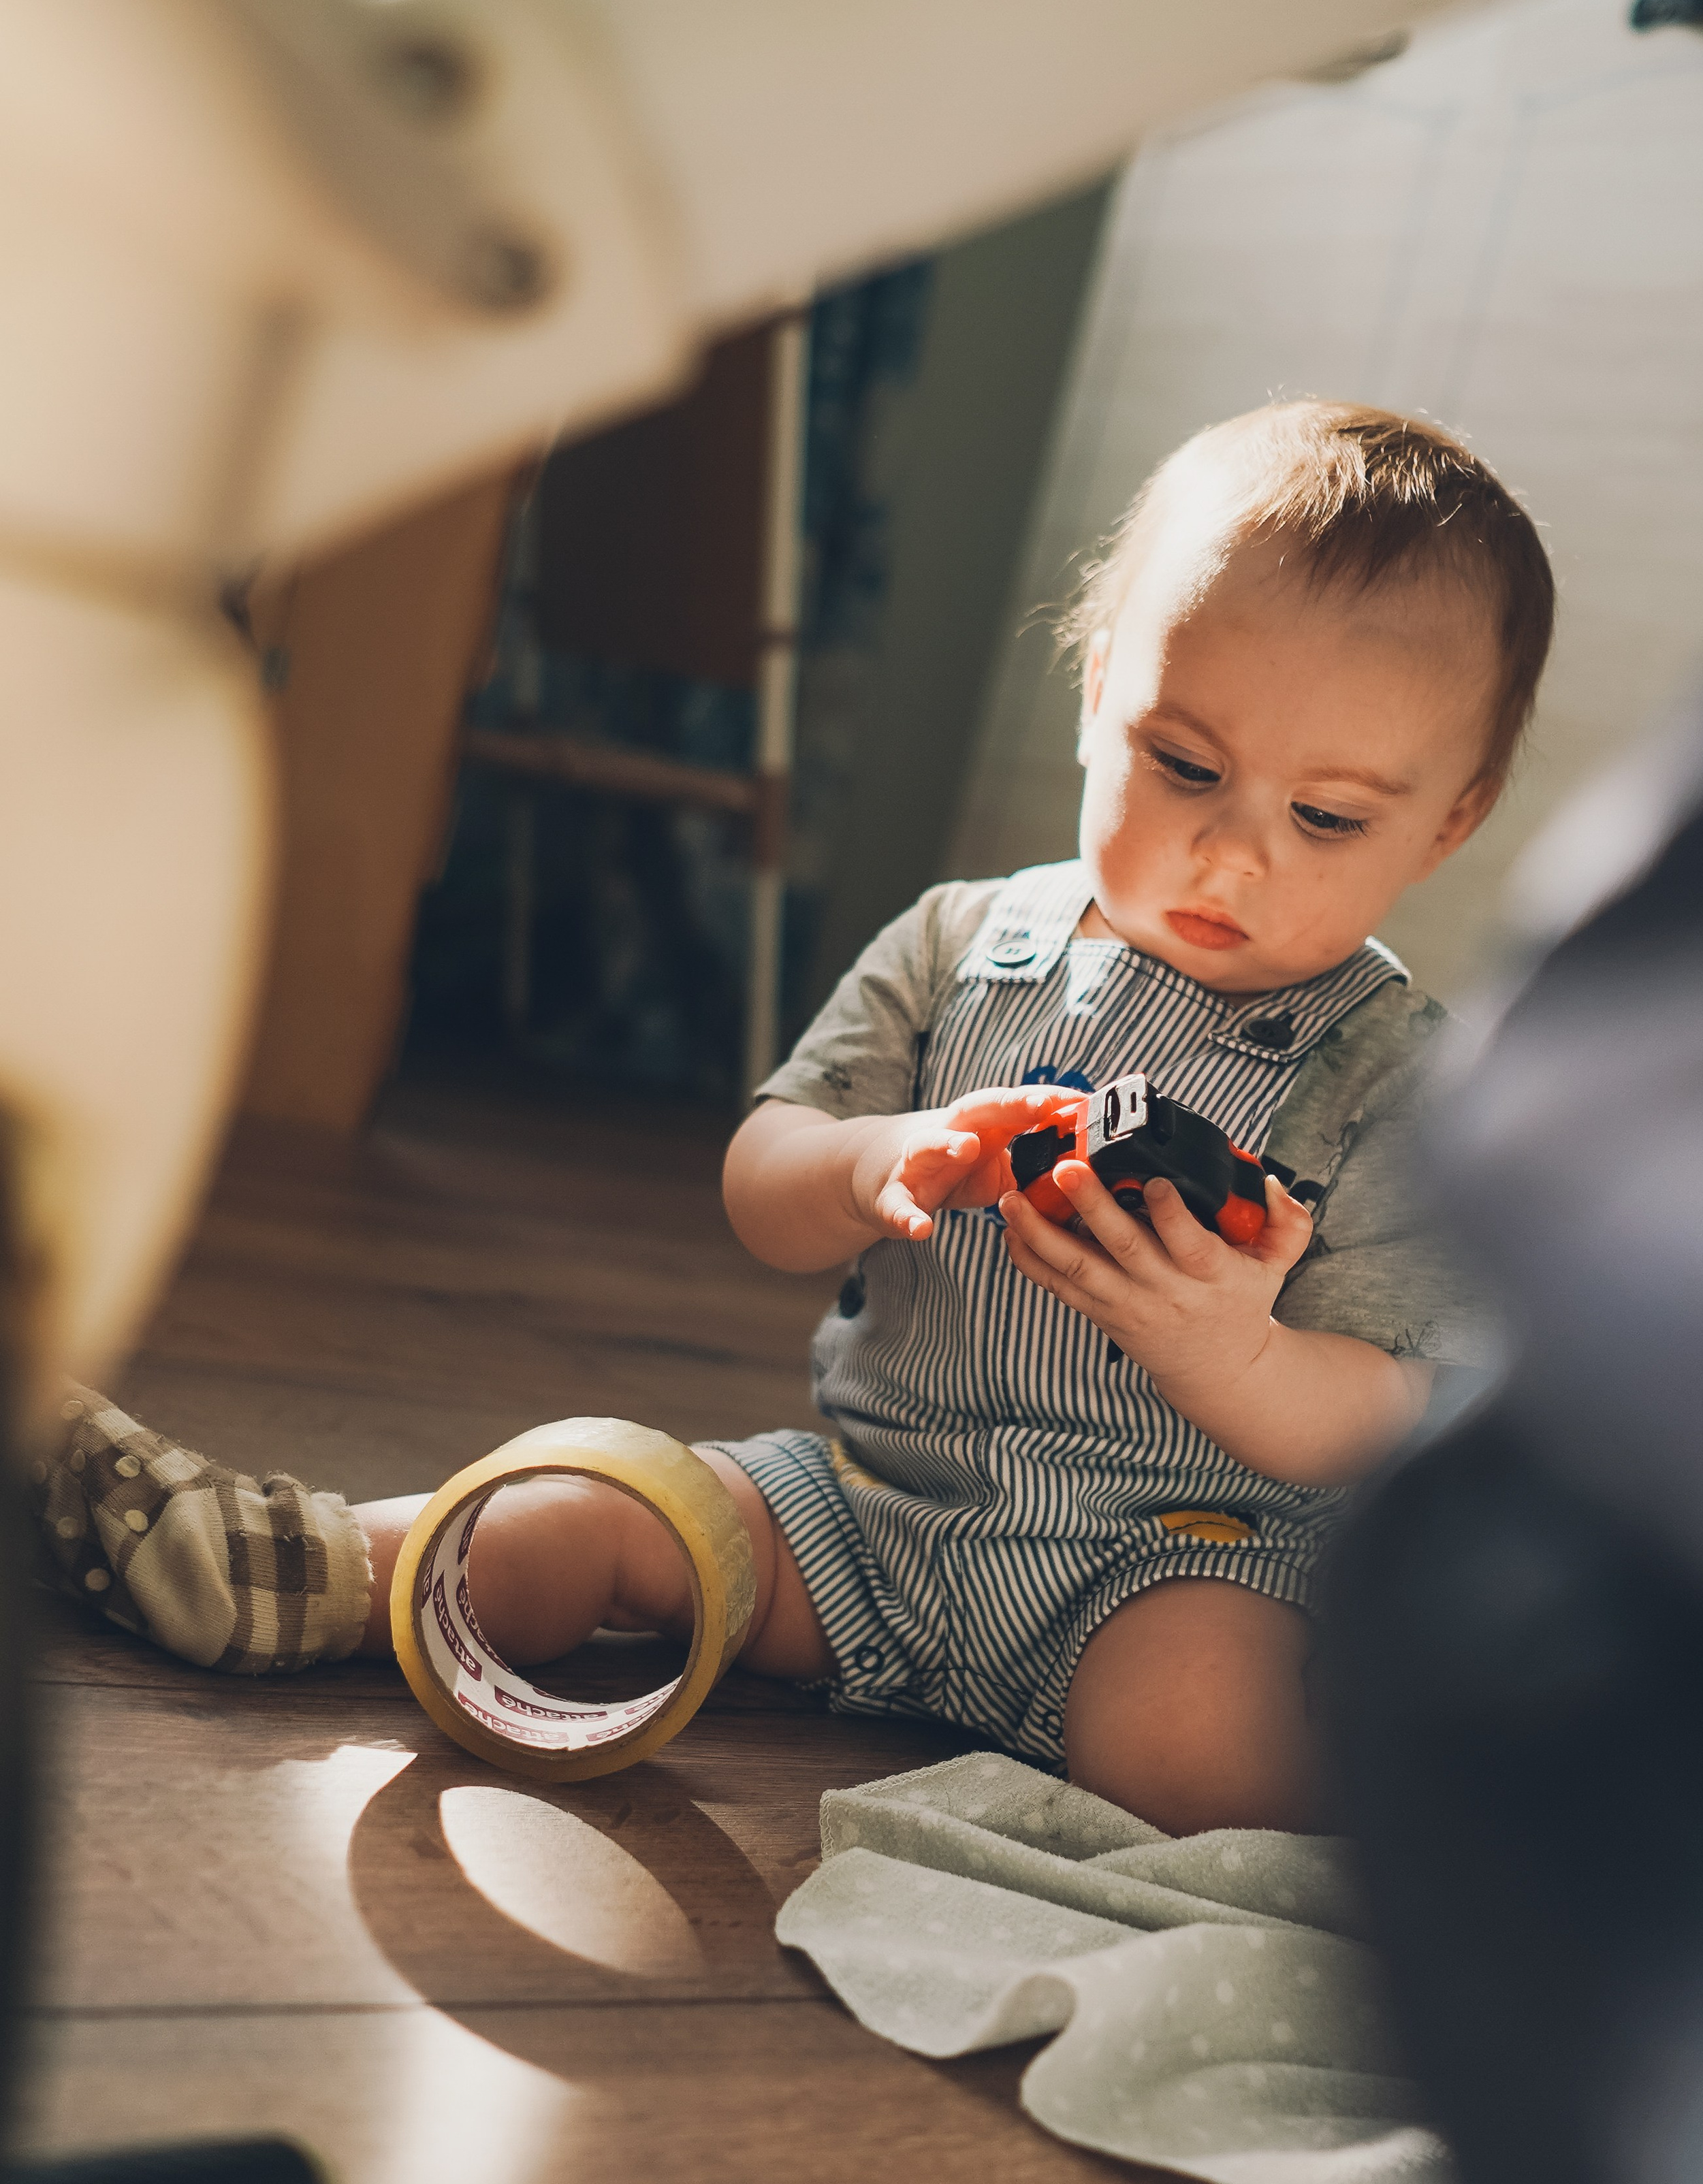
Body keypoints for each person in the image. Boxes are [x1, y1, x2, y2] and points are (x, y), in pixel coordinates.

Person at [32, 402, 1553, 1836]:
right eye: (1184, 766)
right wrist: (876, 1160)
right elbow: (763, 1182)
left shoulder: (1395, 1078)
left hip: (1169, 1566)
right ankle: (306, 1568)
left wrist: (1235, 1350)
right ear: (1096, 690)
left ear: (1450, 818)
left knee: (1193, 1749)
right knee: (586, 1510)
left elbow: (1393, 1414)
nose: (1232, 855)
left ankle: (1481, 1816)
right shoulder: (964, 944)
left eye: (1327, 818)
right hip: (860, 1512)